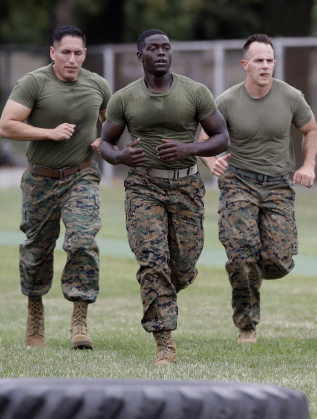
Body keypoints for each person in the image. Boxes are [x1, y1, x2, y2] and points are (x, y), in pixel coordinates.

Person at [98, 29, 229, 366]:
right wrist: (120, 157)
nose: (161, 53)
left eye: (166, 48)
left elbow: (222, 138)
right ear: (140, 57)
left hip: (186, 187)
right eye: (153, 48)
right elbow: (106, 144)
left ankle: (170, 286)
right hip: (143, 188)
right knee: (153, 261)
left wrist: (191, 148)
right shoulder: (124, 98)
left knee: (182, 268)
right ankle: (164, 342)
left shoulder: (195, 92)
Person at [200, 34, 317, 344]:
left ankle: (256, 274)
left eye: (269, 60)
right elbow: (202, 141)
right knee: (240, 255)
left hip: (279, 184)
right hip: (238, 182)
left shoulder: (291, 97)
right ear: (245, 65)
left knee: (279, 262)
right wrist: (210, 161)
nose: (265, 66)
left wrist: (308, 165)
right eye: (259, 61)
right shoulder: (226, 101)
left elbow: (310, 130)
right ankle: (247, 325)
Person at [0, 26, 111, 350]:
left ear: (85, 54)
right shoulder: (34, 83)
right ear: (53, 53)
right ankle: (35, 308)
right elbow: (6, 126)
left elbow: (113, 120)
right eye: (65, 53)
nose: (72, 59)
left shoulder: (97, 84)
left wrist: (107, 138)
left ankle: (79, 320)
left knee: (83, 241)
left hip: (82, 176)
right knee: (36, 250)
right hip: (40, 179)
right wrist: (49, 133)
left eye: (78, 53)